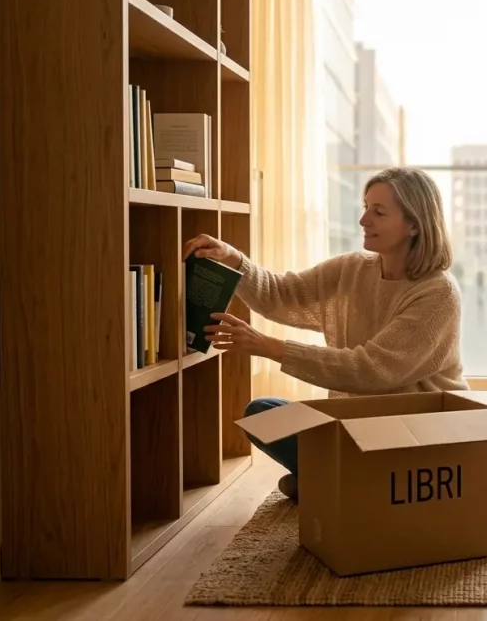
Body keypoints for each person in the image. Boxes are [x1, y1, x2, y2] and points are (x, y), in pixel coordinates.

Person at [181, 166, 468, 501]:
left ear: (414, 225)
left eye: (378, 212)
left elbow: (371, 369)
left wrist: (268, 346)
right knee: (264, 411)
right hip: (355, 426)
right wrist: (234, 260)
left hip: (415, 433)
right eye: (365, 208)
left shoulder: (438, 295)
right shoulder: (352, 269)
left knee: (294, 428)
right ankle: (343, 481)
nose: (364, 221)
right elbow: (282, 294)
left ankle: (337, 481)